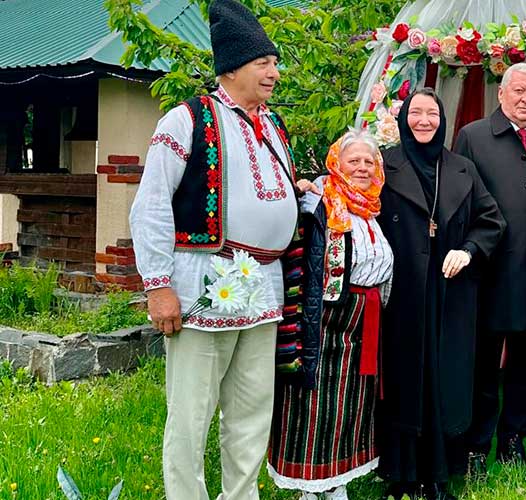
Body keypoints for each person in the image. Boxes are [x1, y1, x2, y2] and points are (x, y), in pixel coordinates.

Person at [129, 1, 302, 498]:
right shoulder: (185, 121)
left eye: (274, 62)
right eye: (263, 63)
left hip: (264, 284)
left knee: (252, 408)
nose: (274, 72)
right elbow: (152, 205)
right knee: (191, 412)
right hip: (204, 282)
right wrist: (158, 286)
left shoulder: (272, 124)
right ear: (232, 68)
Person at [376, 88, 506, 500]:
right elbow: (353, 199)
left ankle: (441, 474)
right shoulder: (384, 164)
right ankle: (401, 474)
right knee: (404, 382)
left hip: (452, 295)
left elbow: (492, 221)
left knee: (445, 380)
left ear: (443, 120)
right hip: (403, 296)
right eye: (417, 113)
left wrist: (468, 251)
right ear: (403, 118)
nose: (425, 121)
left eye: (432, 114)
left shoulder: (462, 168)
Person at [453, 63, 526, 473]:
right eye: (518, 91)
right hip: (488, 272)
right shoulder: (473, 137)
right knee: (483, 367)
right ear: (501, 94)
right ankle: (475, 444)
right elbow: (460, 203)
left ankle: (514, 440)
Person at [267, 129, 393, 500]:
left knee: (351, 402)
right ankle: (307, 485)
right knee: (312, 398)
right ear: (337, 164)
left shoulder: (374, 208)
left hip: (363, 319)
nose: (362, 168)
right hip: (322, 316)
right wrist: (298, 188)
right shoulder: (318, 200)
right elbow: (283, 213)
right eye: (353, 161)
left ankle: (337, 480)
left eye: (370, 162)